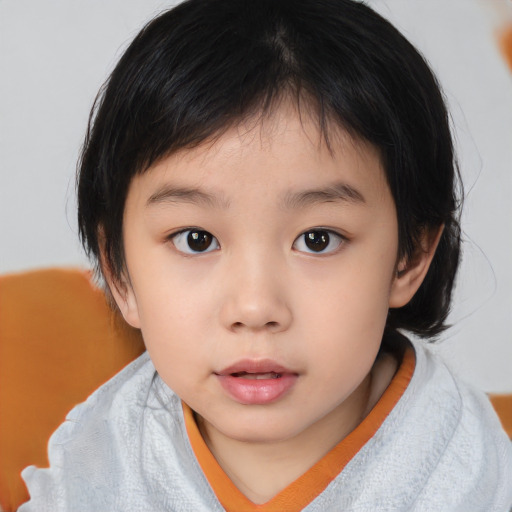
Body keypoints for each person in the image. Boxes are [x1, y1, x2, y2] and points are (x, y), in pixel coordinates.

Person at [19, 0, 512, 510]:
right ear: (120, 274)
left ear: (408, 256)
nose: (255, 308)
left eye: (318, 239)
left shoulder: (475, 481)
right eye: (196, 239)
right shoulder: (97, 465)